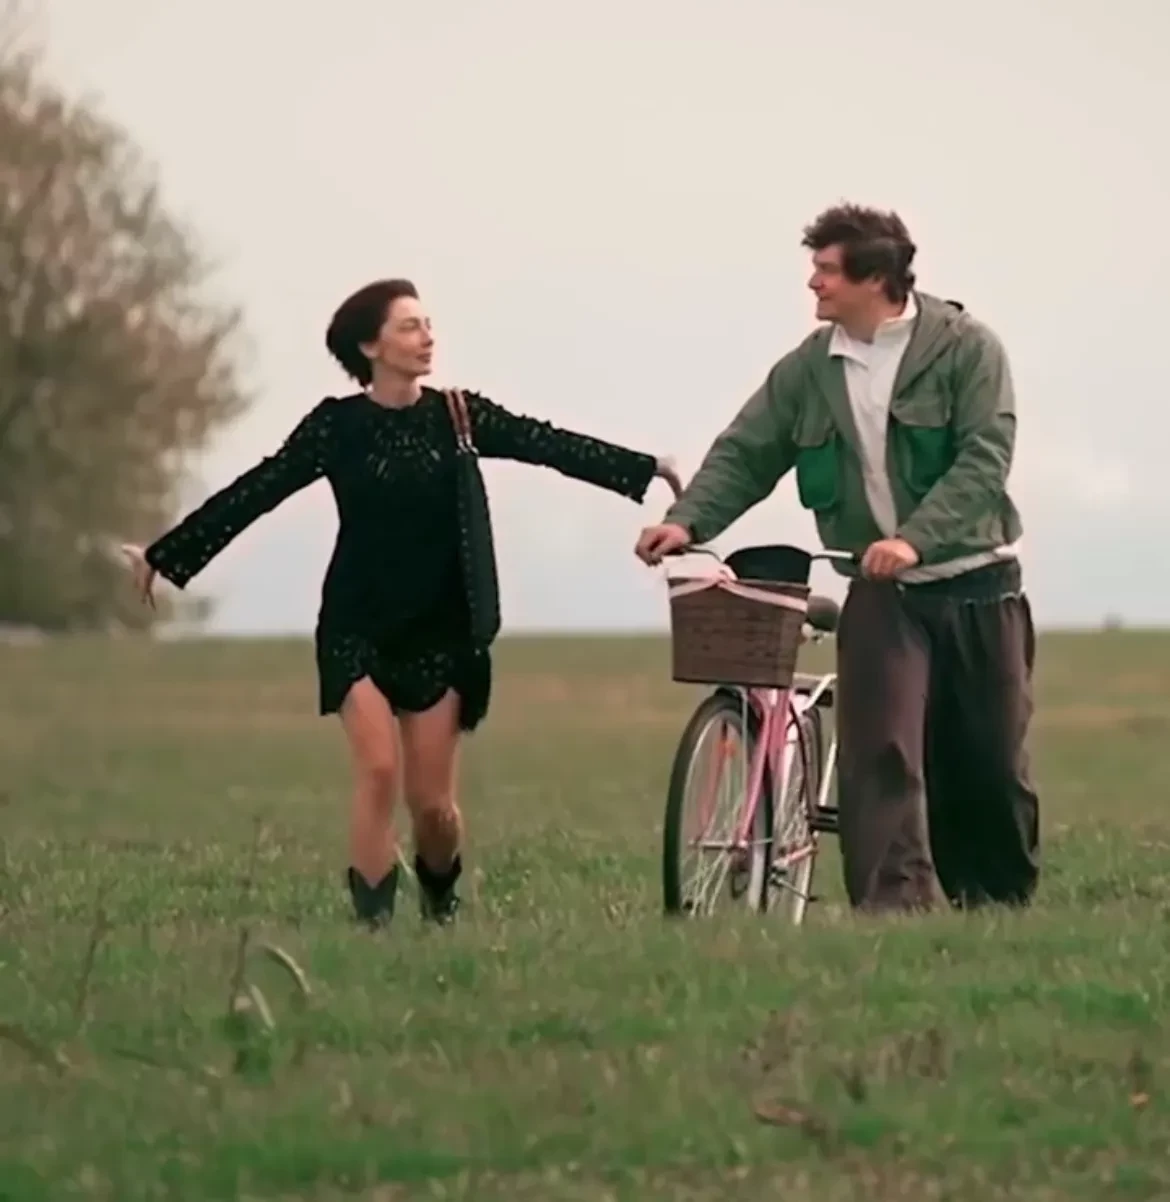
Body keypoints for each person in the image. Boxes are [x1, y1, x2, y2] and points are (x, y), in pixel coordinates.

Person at [123, 278, 680, 929]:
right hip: (356, 625)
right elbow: (259, 489)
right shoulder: (335, 427)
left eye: (427, 325)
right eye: (410, 326)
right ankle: (373, 933)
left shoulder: (458, 416)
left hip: (441, 632)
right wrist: (167, 555)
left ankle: (440, 899)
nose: (427, 337)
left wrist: (646, 467)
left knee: (433, 808)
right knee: (379, 770)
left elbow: (546, 443)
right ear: (370, 346)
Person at [635, 204, 1040, 915]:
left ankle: (996, 907)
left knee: (988, 761)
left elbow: (985, 459)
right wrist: (686, 519)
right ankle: (893, 909)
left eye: (826, 270)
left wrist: (914, 539)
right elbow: (748, 450)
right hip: (883, 596)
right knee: (879, 752)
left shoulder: (967, 350)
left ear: (876, 277)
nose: (813, 284)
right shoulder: (810, 369)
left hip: (978, 584)